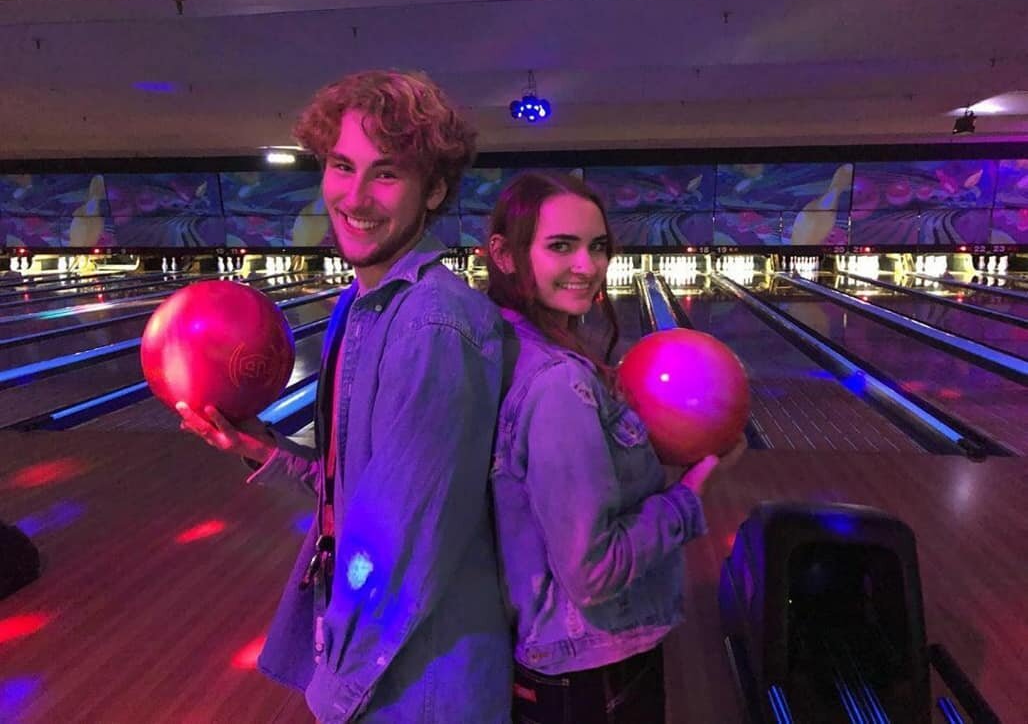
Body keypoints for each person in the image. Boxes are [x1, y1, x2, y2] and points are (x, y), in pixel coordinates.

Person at [176, 70, 512, 723]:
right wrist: (258, 447)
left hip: (420, 680)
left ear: (434, 189)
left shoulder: (431, 325)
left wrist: (336, 692)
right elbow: (359, 492)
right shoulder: (362, 304)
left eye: (385, 173)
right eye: (340, 165)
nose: (354, 196)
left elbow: (400, 550)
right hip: (386, 661)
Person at [485, 171, 744, 724]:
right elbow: (593, 571)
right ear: (504, 255)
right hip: (593, 674)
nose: (588, 266)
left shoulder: (502, 346)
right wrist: (692, 490)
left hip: (551, 663)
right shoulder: (558, 385)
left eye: (597, 246)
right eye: (561, 246)